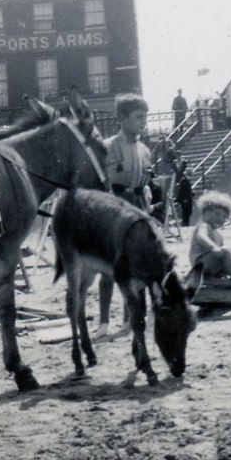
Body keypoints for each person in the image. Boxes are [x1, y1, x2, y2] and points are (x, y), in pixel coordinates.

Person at [97, 94, 152, 337]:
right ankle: (103, 322)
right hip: (115, 208)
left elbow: (146, 180)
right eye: (139, 117)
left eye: (145, 117)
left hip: (138, 207)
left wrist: (147, 201)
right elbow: (105, 183)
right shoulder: (109, 147)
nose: (143, 122)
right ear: (122, 118)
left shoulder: (144, 149)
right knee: (110, 267)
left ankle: (131, 317)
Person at [189, 191, 231, 280]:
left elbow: (223, 252)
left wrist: (230, 257)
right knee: (225, 250)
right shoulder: (204, 225)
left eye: (224, 217)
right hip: (200, 264)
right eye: (216, 214)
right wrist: (212, 247)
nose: (220, 218)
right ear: (205, 212)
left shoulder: (217, 233)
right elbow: (201, 236)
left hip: (212, 263)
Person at [174, 157, 194, 227]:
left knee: (187, 214)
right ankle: (185, 225)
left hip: (188, 201)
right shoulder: (184, 180)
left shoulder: (186, 180)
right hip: (186, 201)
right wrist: (181, 200)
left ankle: (186, 225)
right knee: (186, 215)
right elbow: (183, 191)